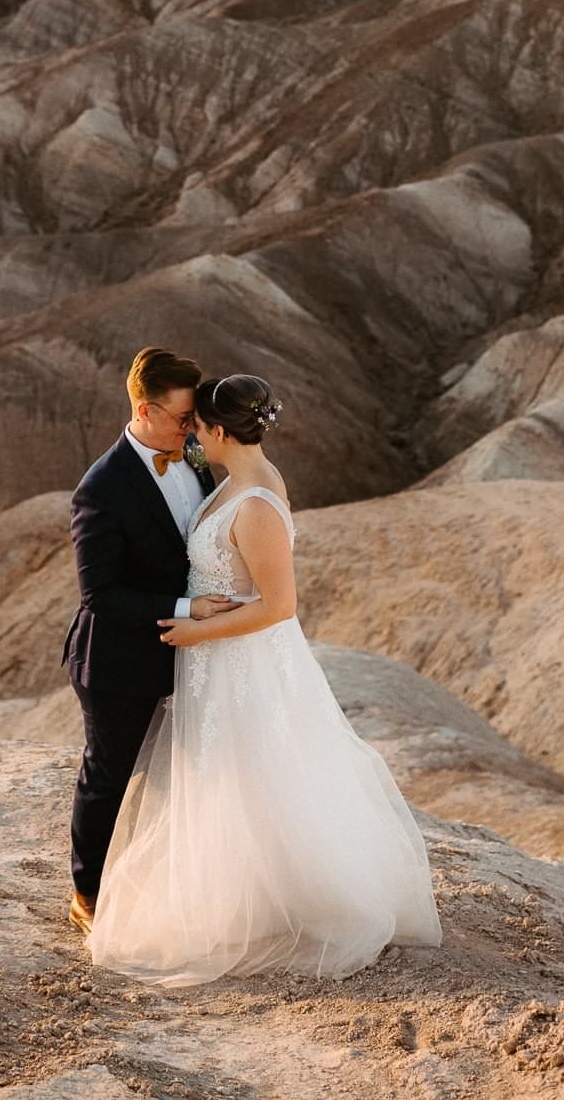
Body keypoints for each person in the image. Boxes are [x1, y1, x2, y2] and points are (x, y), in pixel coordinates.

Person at [86, 372, 443, 986]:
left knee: (253, 774)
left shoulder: (253, 502)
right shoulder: (236, 479)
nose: (191, 434)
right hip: (220, 661)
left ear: (222, 431)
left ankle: (288, 903)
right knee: (232, 778)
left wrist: (195, 632)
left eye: (199, 426)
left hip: (236, 660)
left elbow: (280, 605)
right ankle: (238, 894)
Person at [61, 347, 240, 938]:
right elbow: (99, 595)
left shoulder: (188, 451)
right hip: (117, 660)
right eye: (183, 417)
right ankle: (87, 895)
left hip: (186, 652)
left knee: (184, 774)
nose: (194, 430)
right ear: (145, 408)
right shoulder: (102, 488)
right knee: (109, 777)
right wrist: (187, 608)